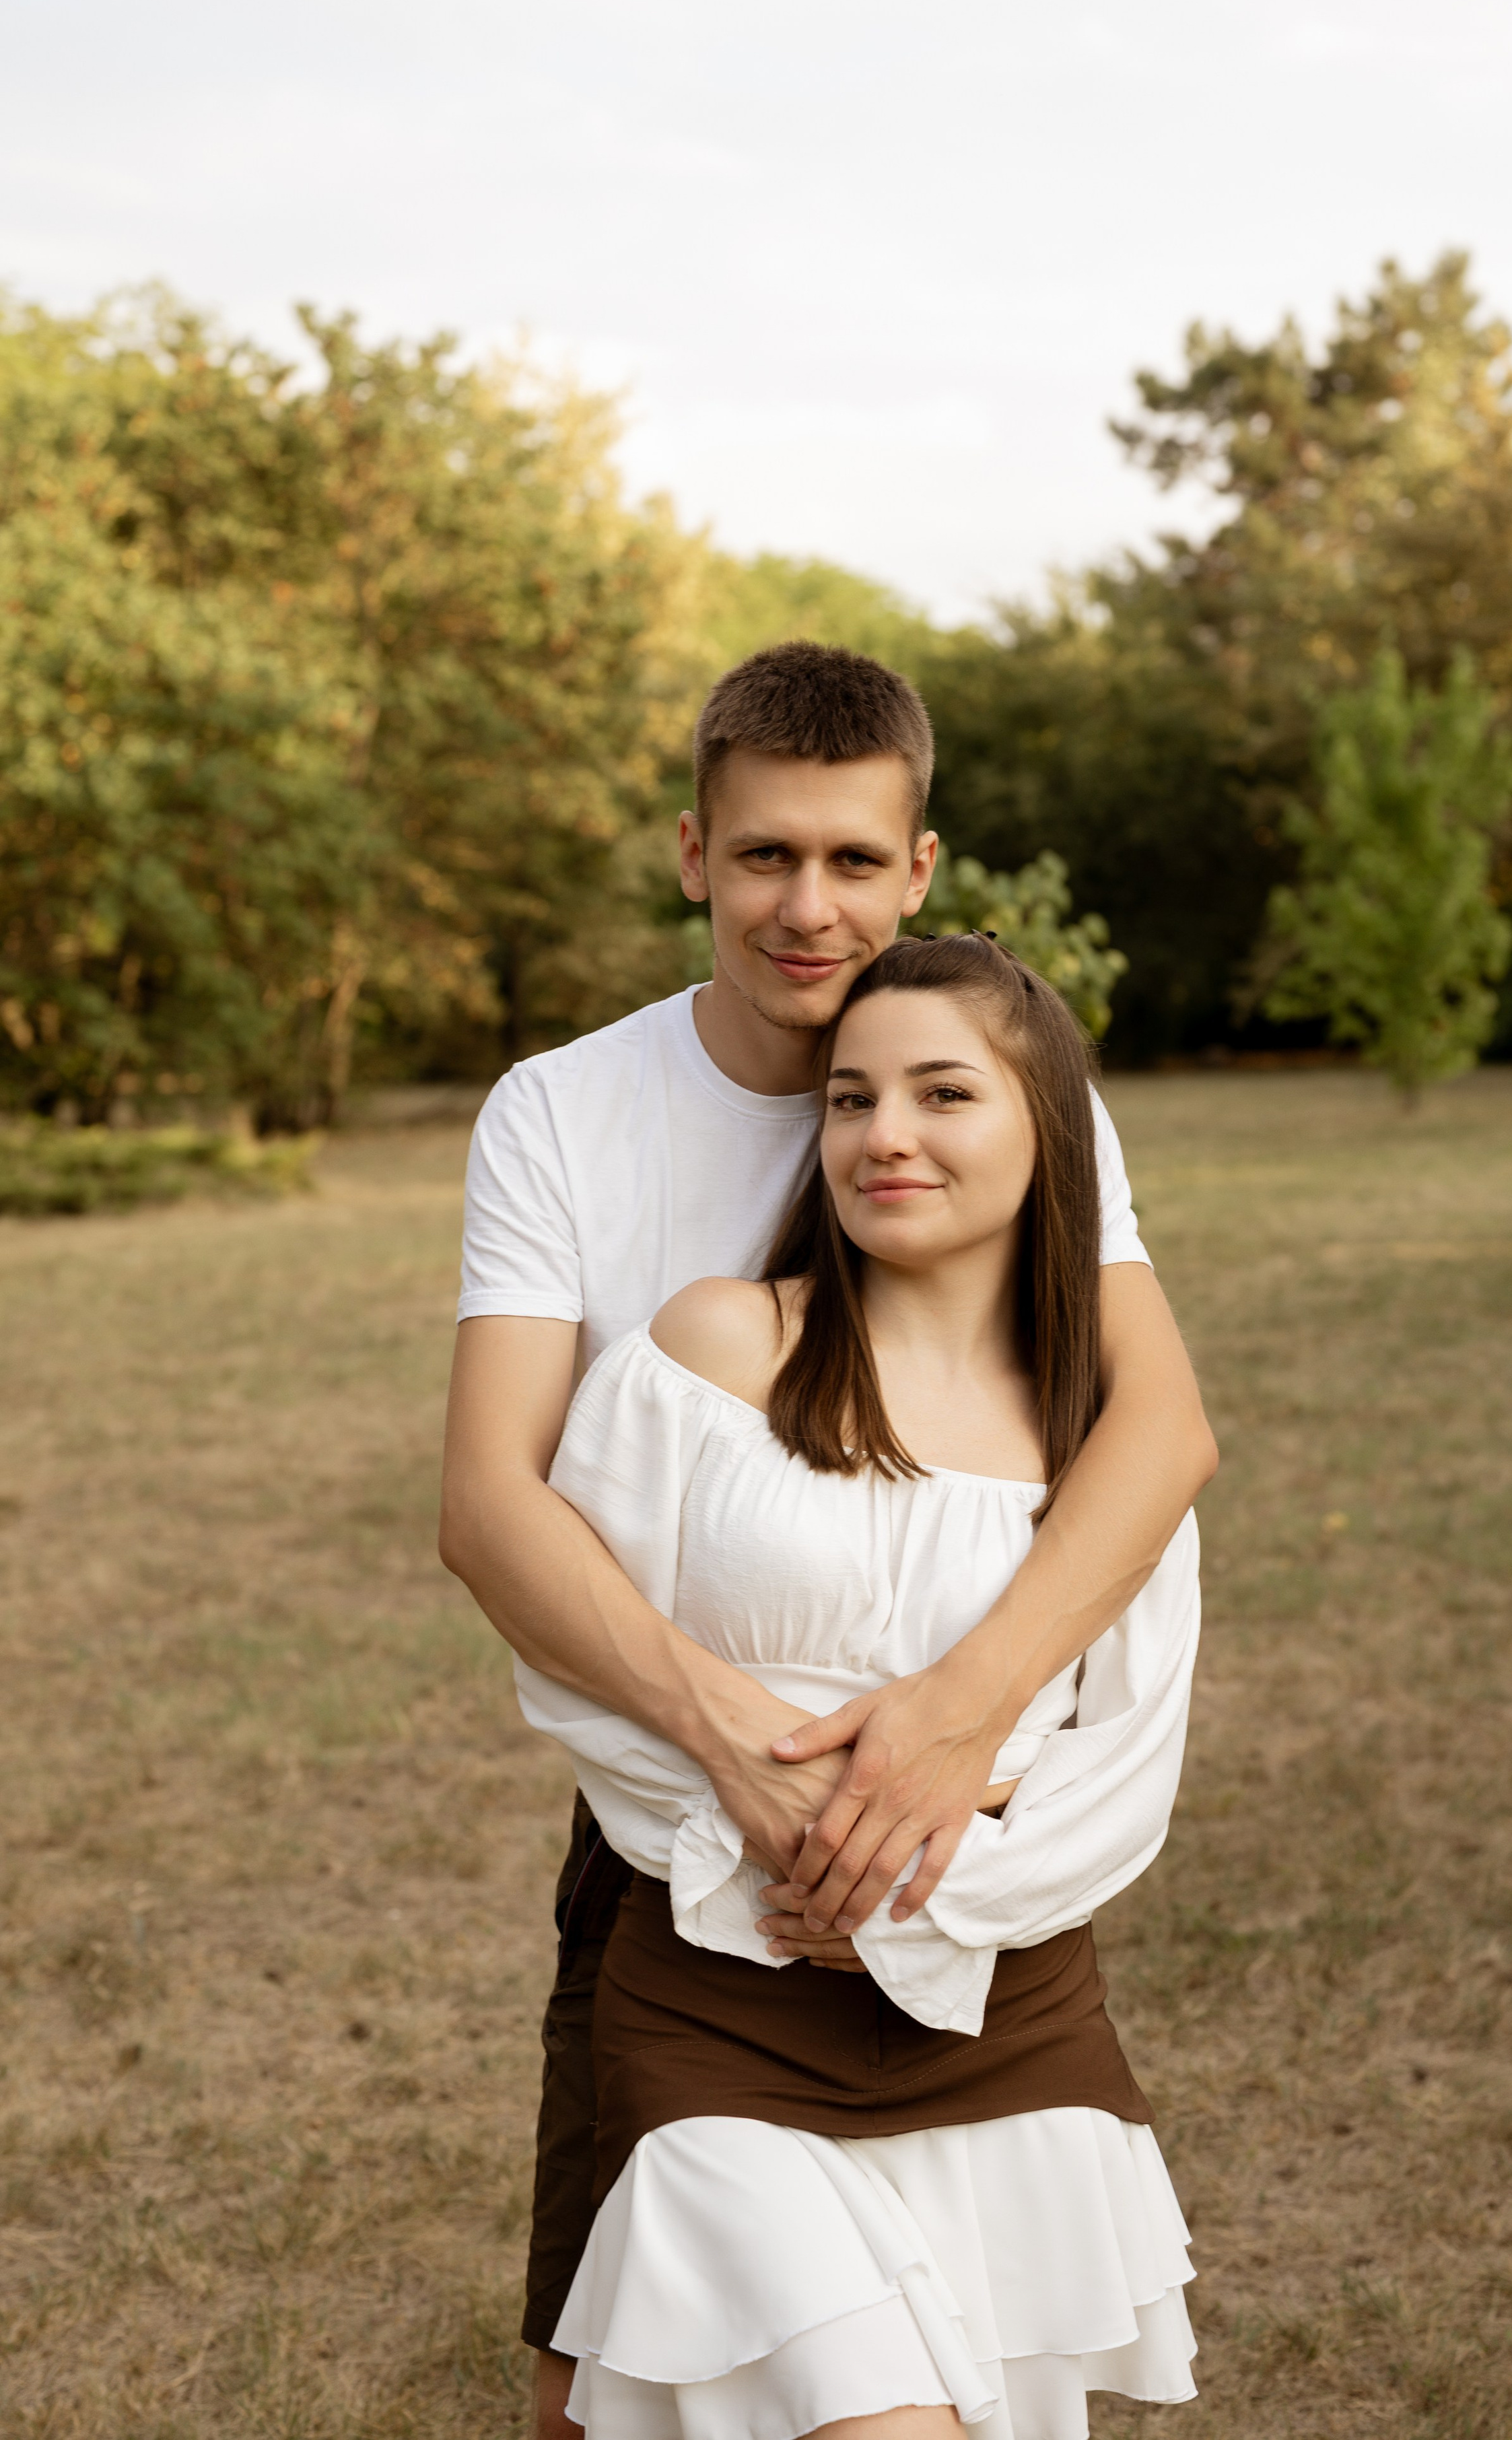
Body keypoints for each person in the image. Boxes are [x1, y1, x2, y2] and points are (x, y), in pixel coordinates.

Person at [438, 642, 1216, 2439]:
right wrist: (740, 1756)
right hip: (687, 1821)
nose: (810, 905)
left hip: (963, 1852)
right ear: (692, 851)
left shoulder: (994, 1081)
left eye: (855, 861)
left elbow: (1154, 1427)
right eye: (767, 855)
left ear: (920, 866)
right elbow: (494, 1504)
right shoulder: (566, 1109)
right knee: (600, 2383)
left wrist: (953, 1721)